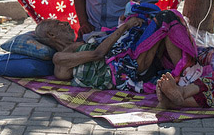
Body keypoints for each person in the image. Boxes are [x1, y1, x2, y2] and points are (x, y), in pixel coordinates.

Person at [35, 6, 196, 92]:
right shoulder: (59, 58)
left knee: (157, 21)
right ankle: (189, 75)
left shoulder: (78, 44)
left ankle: (185, 73)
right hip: (124, 70)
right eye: (58, 24)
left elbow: (107, 43)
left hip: (129, 60)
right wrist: (125, 27)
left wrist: (126, 23)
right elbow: (97, 54)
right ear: (51, 35)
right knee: (166, 17)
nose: (66, 23)